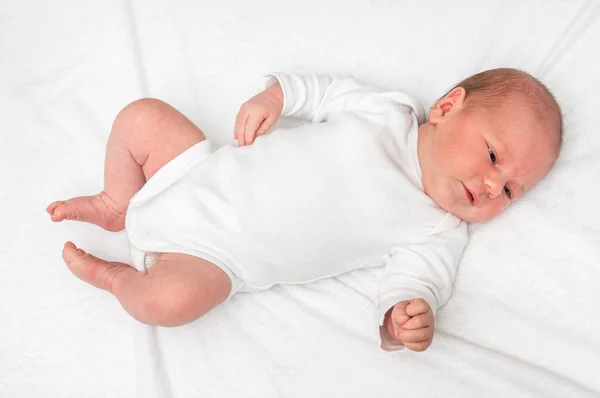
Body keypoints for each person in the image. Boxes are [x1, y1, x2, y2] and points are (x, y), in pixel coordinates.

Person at [46, 68, 562, 352]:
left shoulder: (438, 230)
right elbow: (326, 94)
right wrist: (278, 96)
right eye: (493, 156)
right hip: (191, 170)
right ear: (448, 108)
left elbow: (415, 283)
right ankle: (118, 201)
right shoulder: (390, 112)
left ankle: (114, 278)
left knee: (168, 304)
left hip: (214, 260)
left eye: (512, 191)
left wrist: (403, 316)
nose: (493, 185)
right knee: (142, 118)